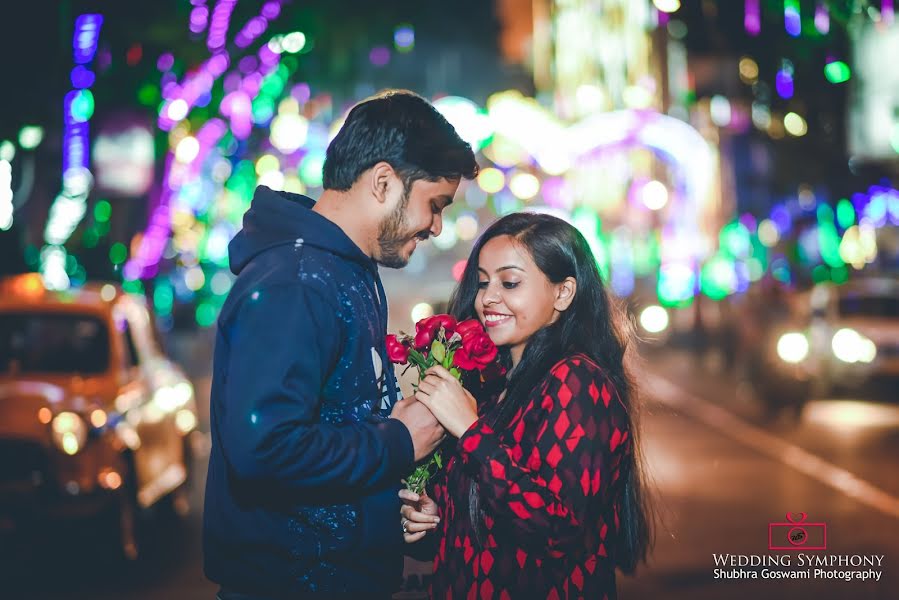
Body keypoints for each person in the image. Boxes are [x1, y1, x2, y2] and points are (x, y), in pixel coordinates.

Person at [204, 90, 478, 599]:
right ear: (382, 182)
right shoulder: (297, 282)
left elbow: (336, 429)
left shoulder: (344, 269)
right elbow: (264, 448)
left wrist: (391, 504)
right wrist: (398, 442)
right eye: (434, 204)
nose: (437, 226)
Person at [400, 212, 654, 599]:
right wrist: (428, 519)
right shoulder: (489, 387)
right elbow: (484, 529)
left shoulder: (577, 382)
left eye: (510, 282)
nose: (487, 298)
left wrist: (469, 431)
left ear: (563, 292)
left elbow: (558, 531)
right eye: (483, 282)